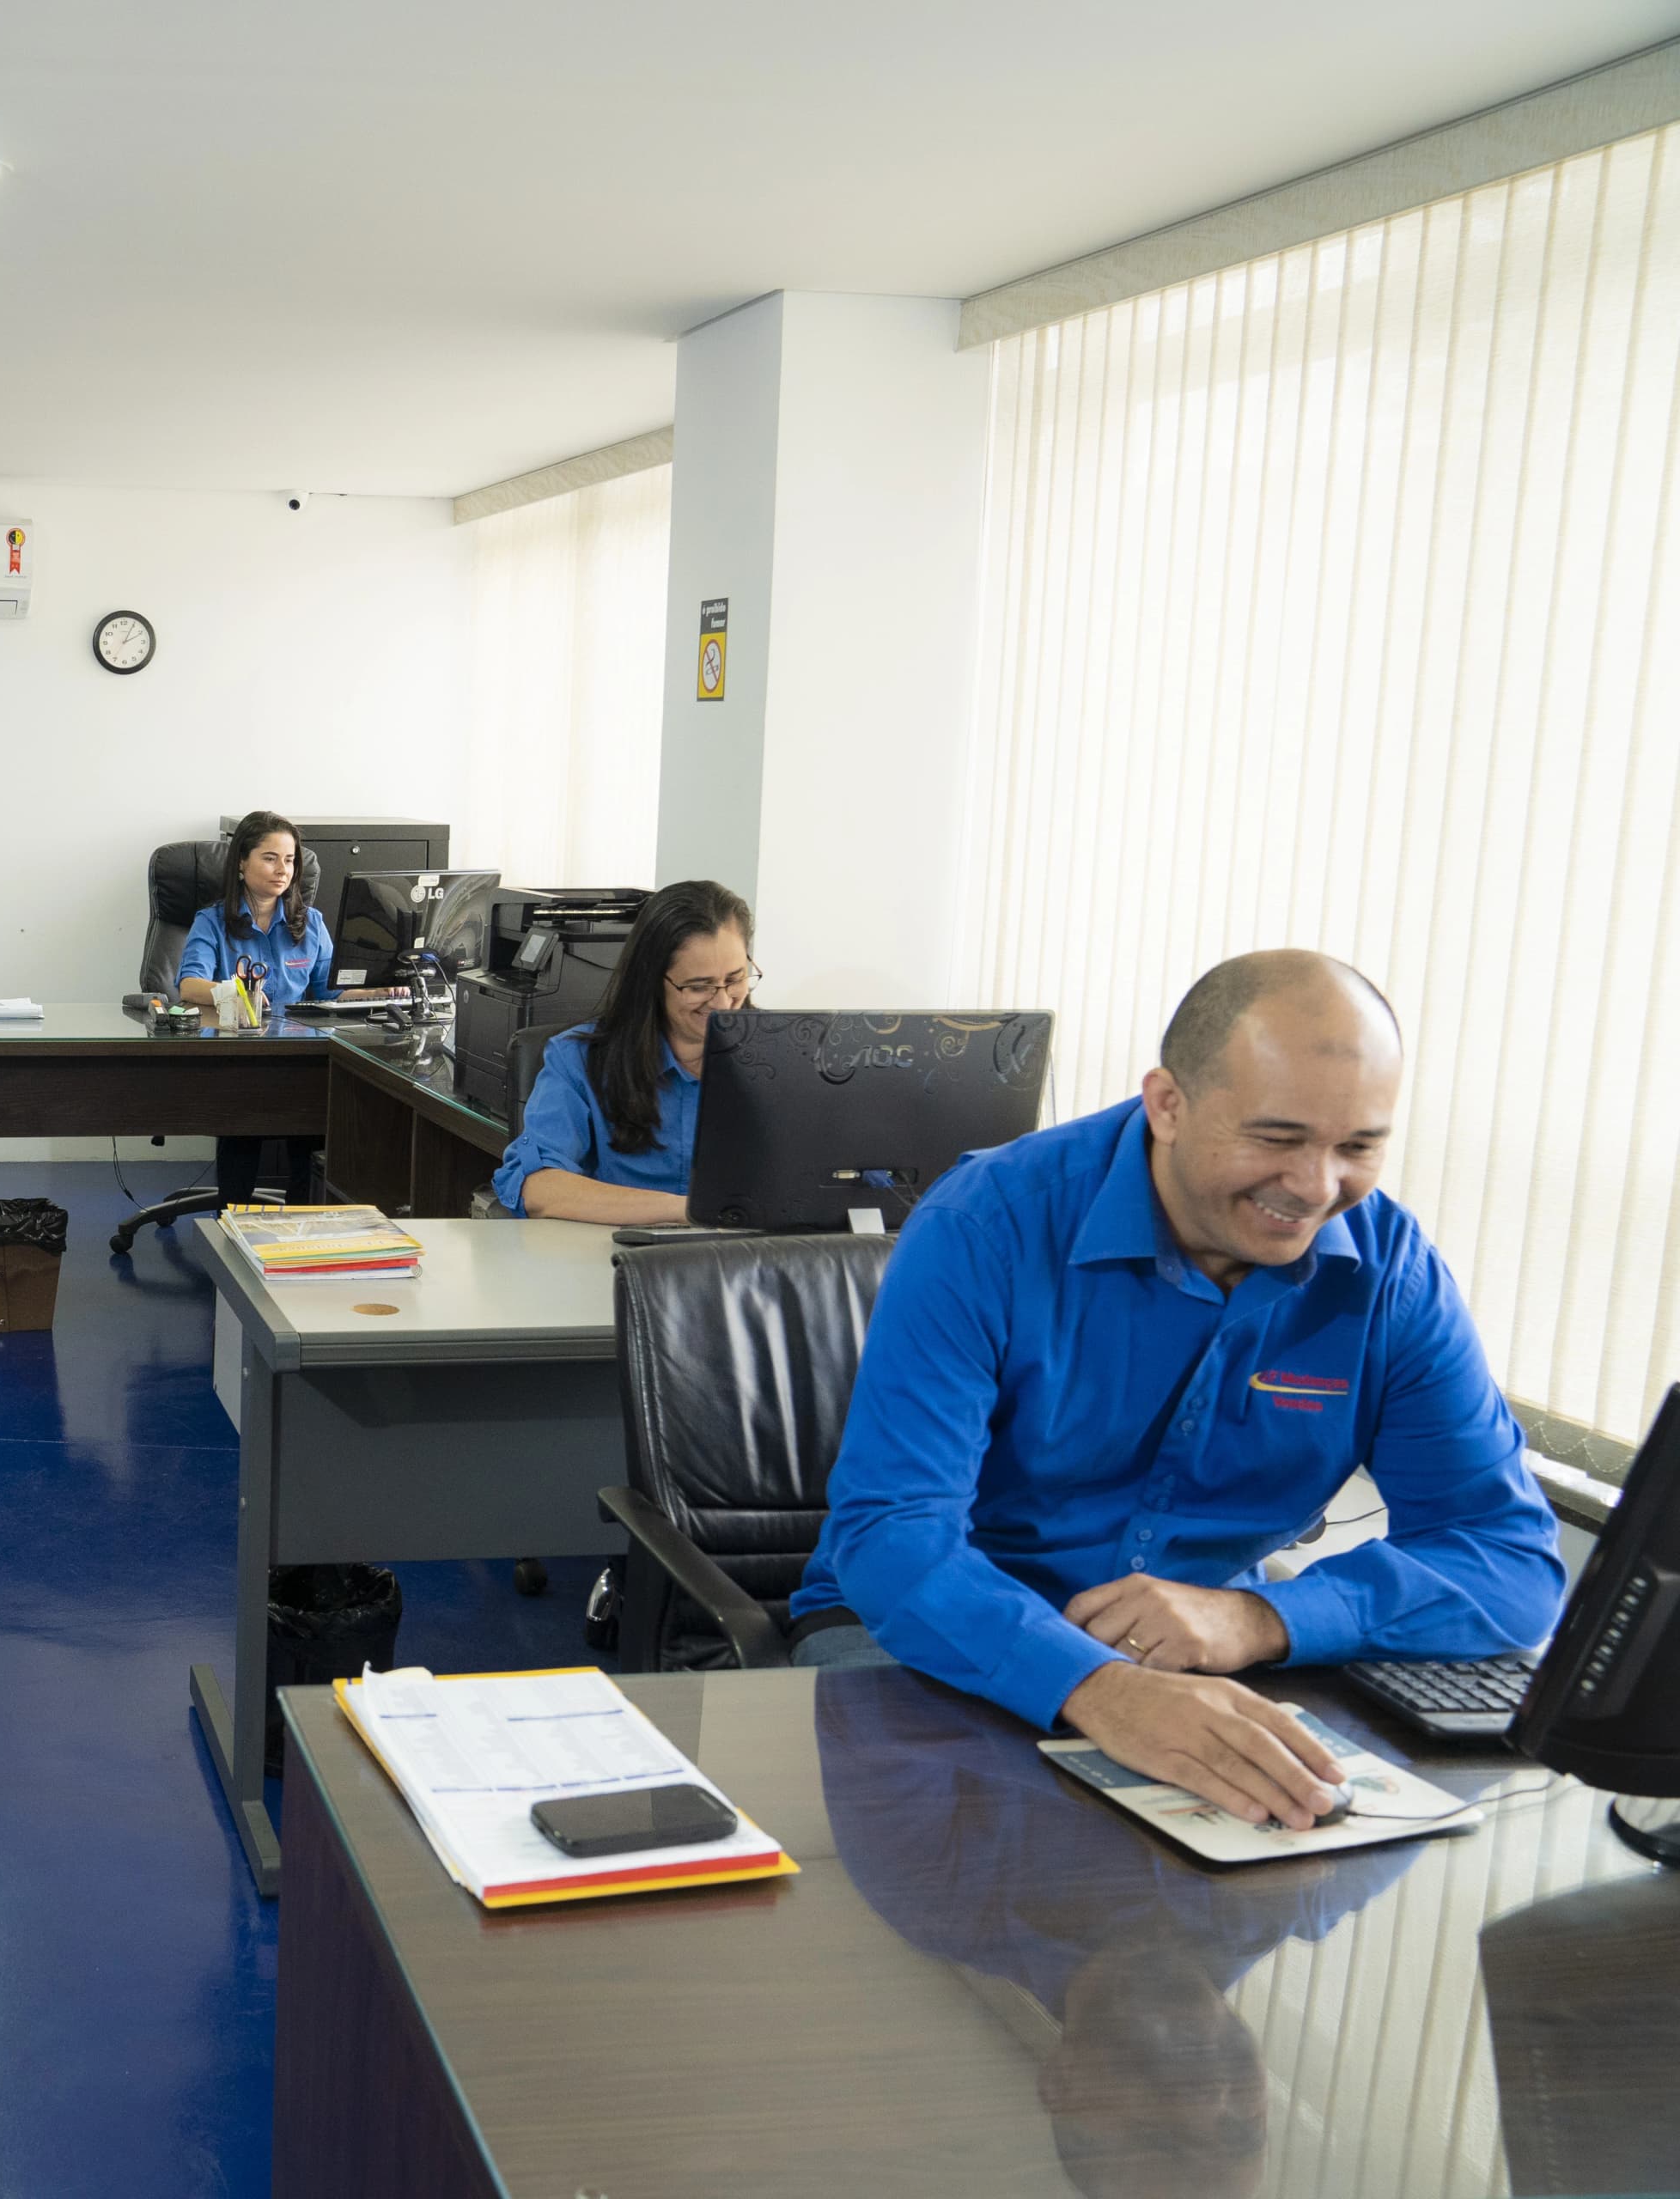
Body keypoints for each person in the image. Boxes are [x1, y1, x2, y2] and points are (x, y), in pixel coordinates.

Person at [787, 950, 1562, 1832]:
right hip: (924, 1636)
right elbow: (892, 1539)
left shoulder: (1390, 1273)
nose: (1315, 1188)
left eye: (1358, 1146)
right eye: (1276, 1137)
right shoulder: (986, 1225)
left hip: (1207, 1661)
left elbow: (1510, 1559)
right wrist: (1095, 1685)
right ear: (1168, 1104)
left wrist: (1260, 1617)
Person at [816, 1672, 1413, 2198]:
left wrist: (1106, 1720)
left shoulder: (937, 1900)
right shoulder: (1311, 1893)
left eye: (1159, 2137)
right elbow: (1430, 1759)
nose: (1205, 2103)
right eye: (1236, 2131)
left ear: (1062, 2084)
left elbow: (863, 1698)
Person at [489, 880, 755, 1223]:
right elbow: (537, 1186)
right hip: (616, 1262)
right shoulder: (580, 1060)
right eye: (698, 986)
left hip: (746, 1266)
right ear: (652, 981)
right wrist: (689, 1210)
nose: (722, 1002)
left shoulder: (787, 1057)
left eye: (735, 979)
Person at [175, 810, 334, 1208]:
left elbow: (327, 993)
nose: (283, 870)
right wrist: (234, 991)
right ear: (242, 863)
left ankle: (301, 1231)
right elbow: (189, 985)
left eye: (290, 860)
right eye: (270, 858)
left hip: (301, 1059)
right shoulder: (211, 921)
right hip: (238, 1056)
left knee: (314, 1122)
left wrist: (376, 990)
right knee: (245, 1118)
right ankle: (232, 1224)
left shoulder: (311, 924)